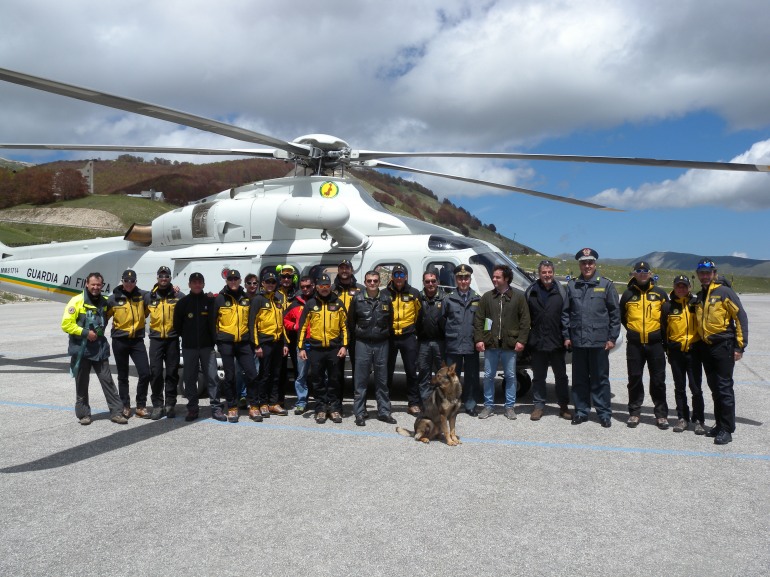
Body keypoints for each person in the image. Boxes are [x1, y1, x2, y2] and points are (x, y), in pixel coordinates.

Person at [693, 258, 749, 445]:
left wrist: (740, 346)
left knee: (724, 388)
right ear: (698, 275)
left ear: (714, 273)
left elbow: (740, 317)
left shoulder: (725, 292)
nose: (705, 276)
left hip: (723, 346)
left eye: (708, 273)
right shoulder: (701, 295)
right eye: (702, 273)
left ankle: (727, 429)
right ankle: (719, 424)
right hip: (706, 348)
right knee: (715, 388)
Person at [563, 248, 621, 428]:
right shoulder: (572, 285)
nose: (587, 266)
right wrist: (567, 336)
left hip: (599, 341)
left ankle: (604, 413)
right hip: (578, 341)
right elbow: (565, 313)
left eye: (590, 262)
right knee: (579, 379)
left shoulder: (607, 285)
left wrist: (612, 337)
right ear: (579, 264)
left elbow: (615, 314)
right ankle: (581, 411)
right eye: (583, 262)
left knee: (600, 379)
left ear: (595, 264)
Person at [61, 272, 127, 425]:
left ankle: (117, 412)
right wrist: (85, 333)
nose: (96, 287)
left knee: (107, 381)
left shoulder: (104, 302)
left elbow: (120, 303)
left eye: (98, 285)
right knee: (82, 383)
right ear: (86, 284)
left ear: (102, 286)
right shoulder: (76, 302)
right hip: (81, 350)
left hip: (99, 349)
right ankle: (84, 414)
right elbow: (66, 324)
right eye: (93, 284)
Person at [474, 264, 530, 420]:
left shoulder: (518, 298)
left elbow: (525, 321)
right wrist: (480, 338)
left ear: (506, 279)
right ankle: (488, 406)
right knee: (489, 376)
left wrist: (521, 341)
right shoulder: (487, 297)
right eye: (493, 277)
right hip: (490, 344)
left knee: (511, 376)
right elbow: (480, 320)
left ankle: (510, 407)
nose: (494, 279)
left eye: (497, 277)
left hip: (509, 345)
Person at [619, 261, 670, 429]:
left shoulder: (660, 294)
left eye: (645, 270)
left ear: (650, 273)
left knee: (658, 380)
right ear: (634, 273)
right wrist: (634, 332)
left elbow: (666, 319)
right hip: (634, 344)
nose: (642, 273)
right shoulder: (627, 294)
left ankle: (661, 415)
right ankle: (634, 413)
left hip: (655, 344)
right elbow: (623, 317)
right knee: (634, 378)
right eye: (638, 270)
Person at [172, 272, 226, 422]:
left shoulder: (210, 301)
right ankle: (192, 409)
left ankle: (216, 408)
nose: (197, 284)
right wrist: (187, 337)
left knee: (212, 377)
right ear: (189, 284)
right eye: (194, 282)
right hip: (189, 348)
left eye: (199, 282)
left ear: (203, 284)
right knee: (190, 378)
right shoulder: (183, 303)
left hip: (207, 347)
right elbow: (177, 325)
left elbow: (216, 320)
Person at [297, 273, 348, 424]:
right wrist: (301, 348)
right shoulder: (310, 304)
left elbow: (345, 327)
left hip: (334, 348)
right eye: (321, 286)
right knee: (317, 380)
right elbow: (302, 327)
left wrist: (344, 346)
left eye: (327, 286)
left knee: (335, 380)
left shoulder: (338, 303)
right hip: (316, 349)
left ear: (330, 287)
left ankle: (334, 409)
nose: (324, 289)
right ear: (317, 287)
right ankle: (320, 409)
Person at [524, 260, 571, 421]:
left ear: (553, 272)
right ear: (539, 273)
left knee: (561, 377)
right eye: (544, 272)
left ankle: (563, 406)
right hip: (538, 342)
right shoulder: (531, 291)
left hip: (557, 342)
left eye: (549, 272)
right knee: (538, 377)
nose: (547, 275)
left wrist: (567, 337)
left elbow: (567, 316)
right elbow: (525, 318)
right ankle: (538, 406)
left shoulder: (561, 291)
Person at [347, 270, 395, 426]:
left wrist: (383, 334)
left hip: (382, 343)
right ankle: (360, 413)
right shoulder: (357, 299)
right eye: (369, 281)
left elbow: (390, 321)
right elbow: (351, 322)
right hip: (363, 343)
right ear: (365, 282)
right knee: (361, 380)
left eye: (375, 281)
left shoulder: (386, 299)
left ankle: (384, 412)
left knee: (382, 380)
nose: (372, 283)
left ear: (379, 282)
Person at [661, 274, 705, 435]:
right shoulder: (667, 306)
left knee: (696, 388)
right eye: (678, 286)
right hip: (676, 352)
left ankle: (699, 420)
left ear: (689, 288)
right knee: (679, 388)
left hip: (694, 352)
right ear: (674, 287)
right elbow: (663, 330)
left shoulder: (695, 304)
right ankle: (682, 418)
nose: (681, 289)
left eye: (684, 286)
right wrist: (668, 349)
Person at [213, 269, 259, 423]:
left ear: (240, 281)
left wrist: (253, 341)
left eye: (236, 279)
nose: (233, 281)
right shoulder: (220, 298)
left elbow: (251, 321)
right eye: (230, 279)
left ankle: (253, 405)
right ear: (227, 281)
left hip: (244, 342)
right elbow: (213, 322)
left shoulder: (246, 298)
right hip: (226, 342)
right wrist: (218, 341)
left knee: (252, 373)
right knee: (230, 376)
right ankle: (232, 407)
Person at [107, 269, 151, 419]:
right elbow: (104, 317)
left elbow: (150, 307)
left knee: (145, 373)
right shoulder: (113, 299)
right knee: (123, 375)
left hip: (137, 340)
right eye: (126, 281)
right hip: (120, 340)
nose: (129, 284)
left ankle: (140, 405)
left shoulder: (143, 296)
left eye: (132, 281)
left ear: (136, 282)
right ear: (122, 281)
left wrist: (175, 289)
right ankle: (125, 406)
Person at [144, 266, 184, 420]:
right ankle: (157, 405)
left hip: (172, 339)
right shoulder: (150, 296)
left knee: (172, 373)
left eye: (166, 276)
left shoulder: (178, 295)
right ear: (157, 278)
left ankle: (170, 405)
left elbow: (188, 308)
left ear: (170, 278)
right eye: (161, 276)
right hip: (156, 340)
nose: (164, 278)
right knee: (155, 373)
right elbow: (140, 312)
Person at [248, 270, 289, 417]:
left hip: (277, 342)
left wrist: (285, 343)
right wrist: (256, 345)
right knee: (264, 375)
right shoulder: (258, 300)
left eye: (273, 282)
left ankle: (273, 403)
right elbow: (252, 323)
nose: (270, 284)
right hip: (264, 343)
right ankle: (262, 402)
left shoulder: (278, 300)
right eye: (268, 282)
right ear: (263, 284)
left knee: (276, 375)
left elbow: (282, 324)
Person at [443, 264, 481, 415]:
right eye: (460, 278)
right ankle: (452, 404)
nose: (463, 281)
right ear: (456, 279)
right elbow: (442, 320)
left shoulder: (478, 298)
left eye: (466, 278)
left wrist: (482, 338)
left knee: (472, 376)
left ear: (470, 279)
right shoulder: (448, 299)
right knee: (452, 378)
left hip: (471, 344)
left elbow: (485, 321)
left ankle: (470, 405)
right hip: (453, 343)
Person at [384, 264, 422, 414]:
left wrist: (413, 331)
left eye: (401, 275)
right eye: (396, 275)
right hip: (390, 337)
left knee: (412, 371)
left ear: (406, 277)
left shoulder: (414, 293)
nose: (399, 278)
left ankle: (413, 403)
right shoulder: (384, 293)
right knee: (387, 371)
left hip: (408, 337)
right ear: (392, 277)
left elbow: (419, 314)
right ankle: (385, 403)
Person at [332, 259, 363, 400]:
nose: (344, 270)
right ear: (338, 270)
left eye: (347, 268)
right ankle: (337, 400)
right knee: (337, 369)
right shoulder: (331, 290)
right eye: (341, 268)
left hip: (356, 333)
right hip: (337, 334)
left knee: (359, 368)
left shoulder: (360, 289)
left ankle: (358, 400)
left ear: (351, 270)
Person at [284, 276, 315, 414]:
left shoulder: (319, 301)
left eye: (308, 286)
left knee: (320, 375)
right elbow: (284, 320)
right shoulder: (296, 303)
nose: (305, 289)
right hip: (302, 344)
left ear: (313, 285)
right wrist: (295, 326)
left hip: (319, 344)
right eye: (303, 287)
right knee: (301, 375)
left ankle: (321, 401)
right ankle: (302, 401)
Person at [416, 269, 447, 401]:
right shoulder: (417, 298)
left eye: (433, 281)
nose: (430, 284)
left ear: (438, 282)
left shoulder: (446, 298)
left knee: (442, 375)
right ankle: (426, 403)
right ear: (423, 282)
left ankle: (442, 401)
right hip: (423, 342)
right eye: (427, 281)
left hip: (441, 342)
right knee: (424, 373)